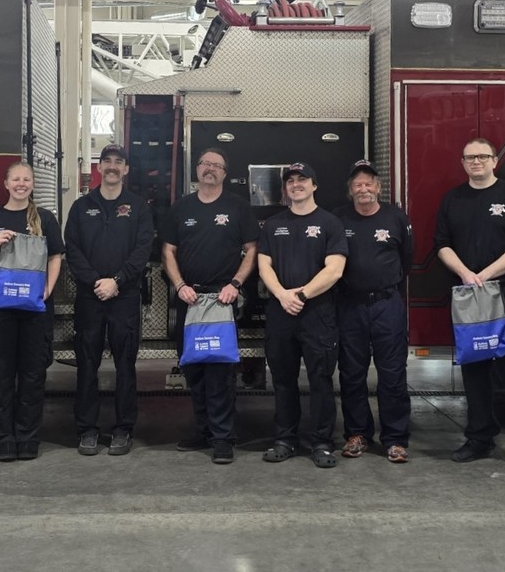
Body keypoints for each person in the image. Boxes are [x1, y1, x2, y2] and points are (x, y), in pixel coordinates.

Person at [434, 138, 505, 475]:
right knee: (474, 371)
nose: (476, 162)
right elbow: (441, 244)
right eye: (470, 157)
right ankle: (480, 437)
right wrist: (466, 274)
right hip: (469, 295)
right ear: (463, 162)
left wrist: (484, 274)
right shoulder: (453, 199)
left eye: (483, 156)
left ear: (495, 161)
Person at [161, 148, 259, 464]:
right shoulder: (181, 209)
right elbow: (168, 252)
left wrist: (235, 285)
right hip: (190, 301)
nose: (210, 170)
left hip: (221, 301)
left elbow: (252, 250)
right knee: (194, 370)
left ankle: (222, 438)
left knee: (220, 373)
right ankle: (203, 431)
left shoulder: (238, 208)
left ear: (224, 174)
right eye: (206, 164)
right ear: (197, 169)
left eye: (217, 166)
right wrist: (180, 286)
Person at [64, 143, 153, 456]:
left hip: (125, 297)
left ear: (126, 169)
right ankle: (87, 429)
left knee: (125, 366)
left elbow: (143, 251)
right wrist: (95, 282)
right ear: (98, 167)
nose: (113, 166)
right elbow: (72, 249)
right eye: (107, 161)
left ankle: (123, 429)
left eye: (119, 162)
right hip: (89, 298)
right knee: (86, 365)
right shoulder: (81, 207)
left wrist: (116, 281)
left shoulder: (139, 207)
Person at [257, 162, 347, 468]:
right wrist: (283, 295)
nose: (296, 184)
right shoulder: (272, 225)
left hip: (317, 313)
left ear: (314, 185)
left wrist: (302, 294)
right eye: (291, 180)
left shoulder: (330, 223)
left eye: (302, 179)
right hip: (281, 312)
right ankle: (285, 439)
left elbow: (335, 270)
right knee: (283, 380)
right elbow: (263, 266)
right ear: (285, 188)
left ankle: (322, 443)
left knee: (321, 379)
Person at [0, 161, 64, 462]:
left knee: (32, 375)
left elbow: (55, 257)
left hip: (35, 310)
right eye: (16, 179)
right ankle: (3, 439)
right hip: (0, 311)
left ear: (33, 184)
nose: (21, 184)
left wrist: (48, 289)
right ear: (6, 183)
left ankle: (28, 438)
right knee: (0, 375)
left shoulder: (46, 219)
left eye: (26, 179)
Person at [334, 160, 414, 463]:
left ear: (378, 187)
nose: (363, 189)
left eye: (369, 183)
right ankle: (358, 434)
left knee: (392, 374)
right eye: (358, 184)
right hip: (349, 305)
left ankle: (394, 438)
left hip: (386, 305)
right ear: (350, 190)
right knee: (352, 374)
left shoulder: (396, 218)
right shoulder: (337, 218)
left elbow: (407, 259)